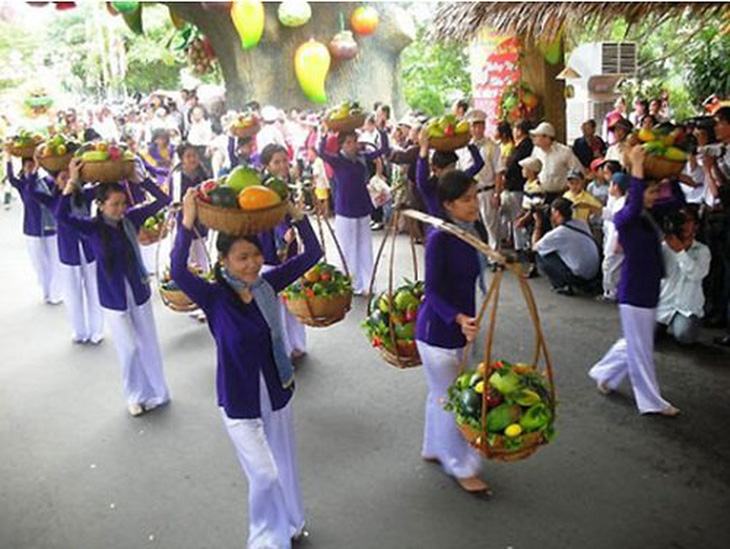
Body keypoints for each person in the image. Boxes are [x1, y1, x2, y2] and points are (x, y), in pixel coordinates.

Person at [172, 189, 321, 547]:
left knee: (284, 464)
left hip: (276, 390)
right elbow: (178, 269)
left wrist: (296, 216)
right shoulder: (214, 296)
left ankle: (291, 522)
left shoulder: (268, 285)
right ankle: (265, 538)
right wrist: (187, 222)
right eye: (242, 258)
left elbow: (313, 254)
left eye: (255, 255)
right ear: (223, 261)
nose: (252, 263)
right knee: (266, 475)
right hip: (239, 399)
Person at [56, 159, 171, 417]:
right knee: (128, 348)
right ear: (100, 205)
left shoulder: (131, 219)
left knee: (148, 343)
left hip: (139, 291)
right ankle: (135, 395)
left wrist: (140, 179)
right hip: (112, 297)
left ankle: (158, 392)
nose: (121, 209)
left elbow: (164, 199)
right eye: (114, 204)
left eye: (123, 203)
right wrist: (73, 181)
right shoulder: (92, 227)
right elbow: (61, 216)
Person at [588, 146, 680, 417]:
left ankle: (604, 372)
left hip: (648, 288)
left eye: (654, 192)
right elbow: (638, 198)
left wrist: (673, 176)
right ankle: (651, 401)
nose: (654, 196)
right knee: (641, 348)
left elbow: (675, 201)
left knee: (635, 341)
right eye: (650, 192)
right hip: (635, 291)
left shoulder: (648, 216)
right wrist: (637, 167)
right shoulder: (625, 216)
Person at [415, 169, 489, 494]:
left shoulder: (468, 231)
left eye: (475, 196)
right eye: (466, 199)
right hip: (438, 332)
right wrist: (458, 318)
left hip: (461, 326)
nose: (474, 204)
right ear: (447, 204)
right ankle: (459, 465)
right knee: (452, 398)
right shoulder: (439, 238)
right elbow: (430, 291)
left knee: (440, 392)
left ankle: (433, 447)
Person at [29, 166, 104, 344]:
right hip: (68, 253)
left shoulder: (84, 196)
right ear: (55, 181)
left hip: (89, 250)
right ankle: (79, 331)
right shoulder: (53, 200)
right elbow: (30, 190)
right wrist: (34, 168)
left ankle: (97, 330)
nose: (67, 181)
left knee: (93, 291)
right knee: (73, 293)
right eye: (63, 178)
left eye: (69, 177)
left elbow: (105, 185)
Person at [317, 126, 389, 295]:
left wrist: (381, 130)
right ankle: (351, 283)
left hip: (362, 207)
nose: (353, 145)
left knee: (365, 246)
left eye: (354, 141)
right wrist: (325, 134)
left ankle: (368, 283)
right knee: (348, 248)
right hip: (345, 209)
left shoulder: (362, 158)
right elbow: (321, 152)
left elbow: (383, 149)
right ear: (341, 145)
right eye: (348, 142)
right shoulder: (337, 160)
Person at [258, 144, 308, 360]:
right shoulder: (264, 188)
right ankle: (283, 349)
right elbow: (272, 215)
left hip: (291, 246)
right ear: (267, 166)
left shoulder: (286, 185)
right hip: (273, 248)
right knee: (277, 303)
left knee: (293, 299)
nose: (282, 165)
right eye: (276, 162)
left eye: (284, 160)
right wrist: (284, 231)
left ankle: (297, 343)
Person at [6, 155, 62, 304]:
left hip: (51, 228)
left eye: (33, 165)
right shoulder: (22, 184)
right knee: (39, 263)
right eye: (28, 166)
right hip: (32, 229)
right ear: (23, 168)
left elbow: (58, 186)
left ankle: (55, 293)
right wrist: (8, 157)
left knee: (54, 261)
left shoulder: (47, 182)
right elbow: (10, 177)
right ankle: (46, 290)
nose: (31, 168)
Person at [656, 208, 710, 345]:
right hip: (664, 303)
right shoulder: (664, 246)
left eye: (687, 221)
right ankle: (664, 324)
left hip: (687, 307)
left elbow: (696, 274)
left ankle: (683, 324)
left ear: (696, 226)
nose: (683, 225)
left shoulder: (702, 250)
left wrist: (680, 251)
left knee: (684, 337)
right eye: (680, 221)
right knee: (647, 334)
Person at [532, 197, 600, 295]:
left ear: (557, 213)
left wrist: (538, 224)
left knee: (540, 255)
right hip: (594, 273)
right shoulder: (582, 223)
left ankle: (562, 284)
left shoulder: (558, 233)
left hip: (579, 277)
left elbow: (534, 247)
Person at [458, 109, 504, 251]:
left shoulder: (492, 147)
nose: (478, 129)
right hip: (469, 193)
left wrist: (497, 194)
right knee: (473, 225)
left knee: (491, 225)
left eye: (481, 125)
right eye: (474, 125)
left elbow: (498, 172)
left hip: (487, 190)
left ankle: (495, 256)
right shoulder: (463, 148)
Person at [168, 143, 211, 272]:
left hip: (202, 222)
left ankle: (205, 279)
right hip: (185, 222)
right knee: (188, 254)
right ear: (182, 159)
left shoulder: (203, 174)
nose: (193, 159)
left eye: (195, 155)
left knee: (202, 254)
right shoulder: (177, 176)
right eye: (188, 156)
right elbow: (175, 202)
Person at [501, 120, 534, 256]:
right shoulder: (520, 146)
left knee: (518, 217)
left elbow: (514, 166)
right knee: (514, 216)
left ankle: (521, 248)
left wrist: (506, 172)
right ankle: (517, 245)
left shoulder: (524, 147)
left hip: (517, 186)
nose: (513, 132)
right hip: (513, 186)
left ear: (520, 131)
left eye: (515, 129)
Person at [530, 122, 583, 203]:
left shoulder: (564, 152)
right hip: (541, 194)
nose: (534, 138)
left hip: (561, 195)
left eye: (537, 136)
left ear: (546, 137)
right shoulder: (536, 151)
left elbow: (578, 171)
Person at [598, 172, 630, 303]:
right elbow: (609, 214)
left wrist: (618, 242)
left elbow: (620, 224)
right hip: (612, 238)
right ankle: (611, 291)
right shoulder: (617, 201)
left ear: (616, 186)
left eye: (611, 184)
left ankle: (611, 293)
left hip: (616, 241)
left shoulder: (622, 202)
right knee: (611, 266)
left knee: (610, 267)